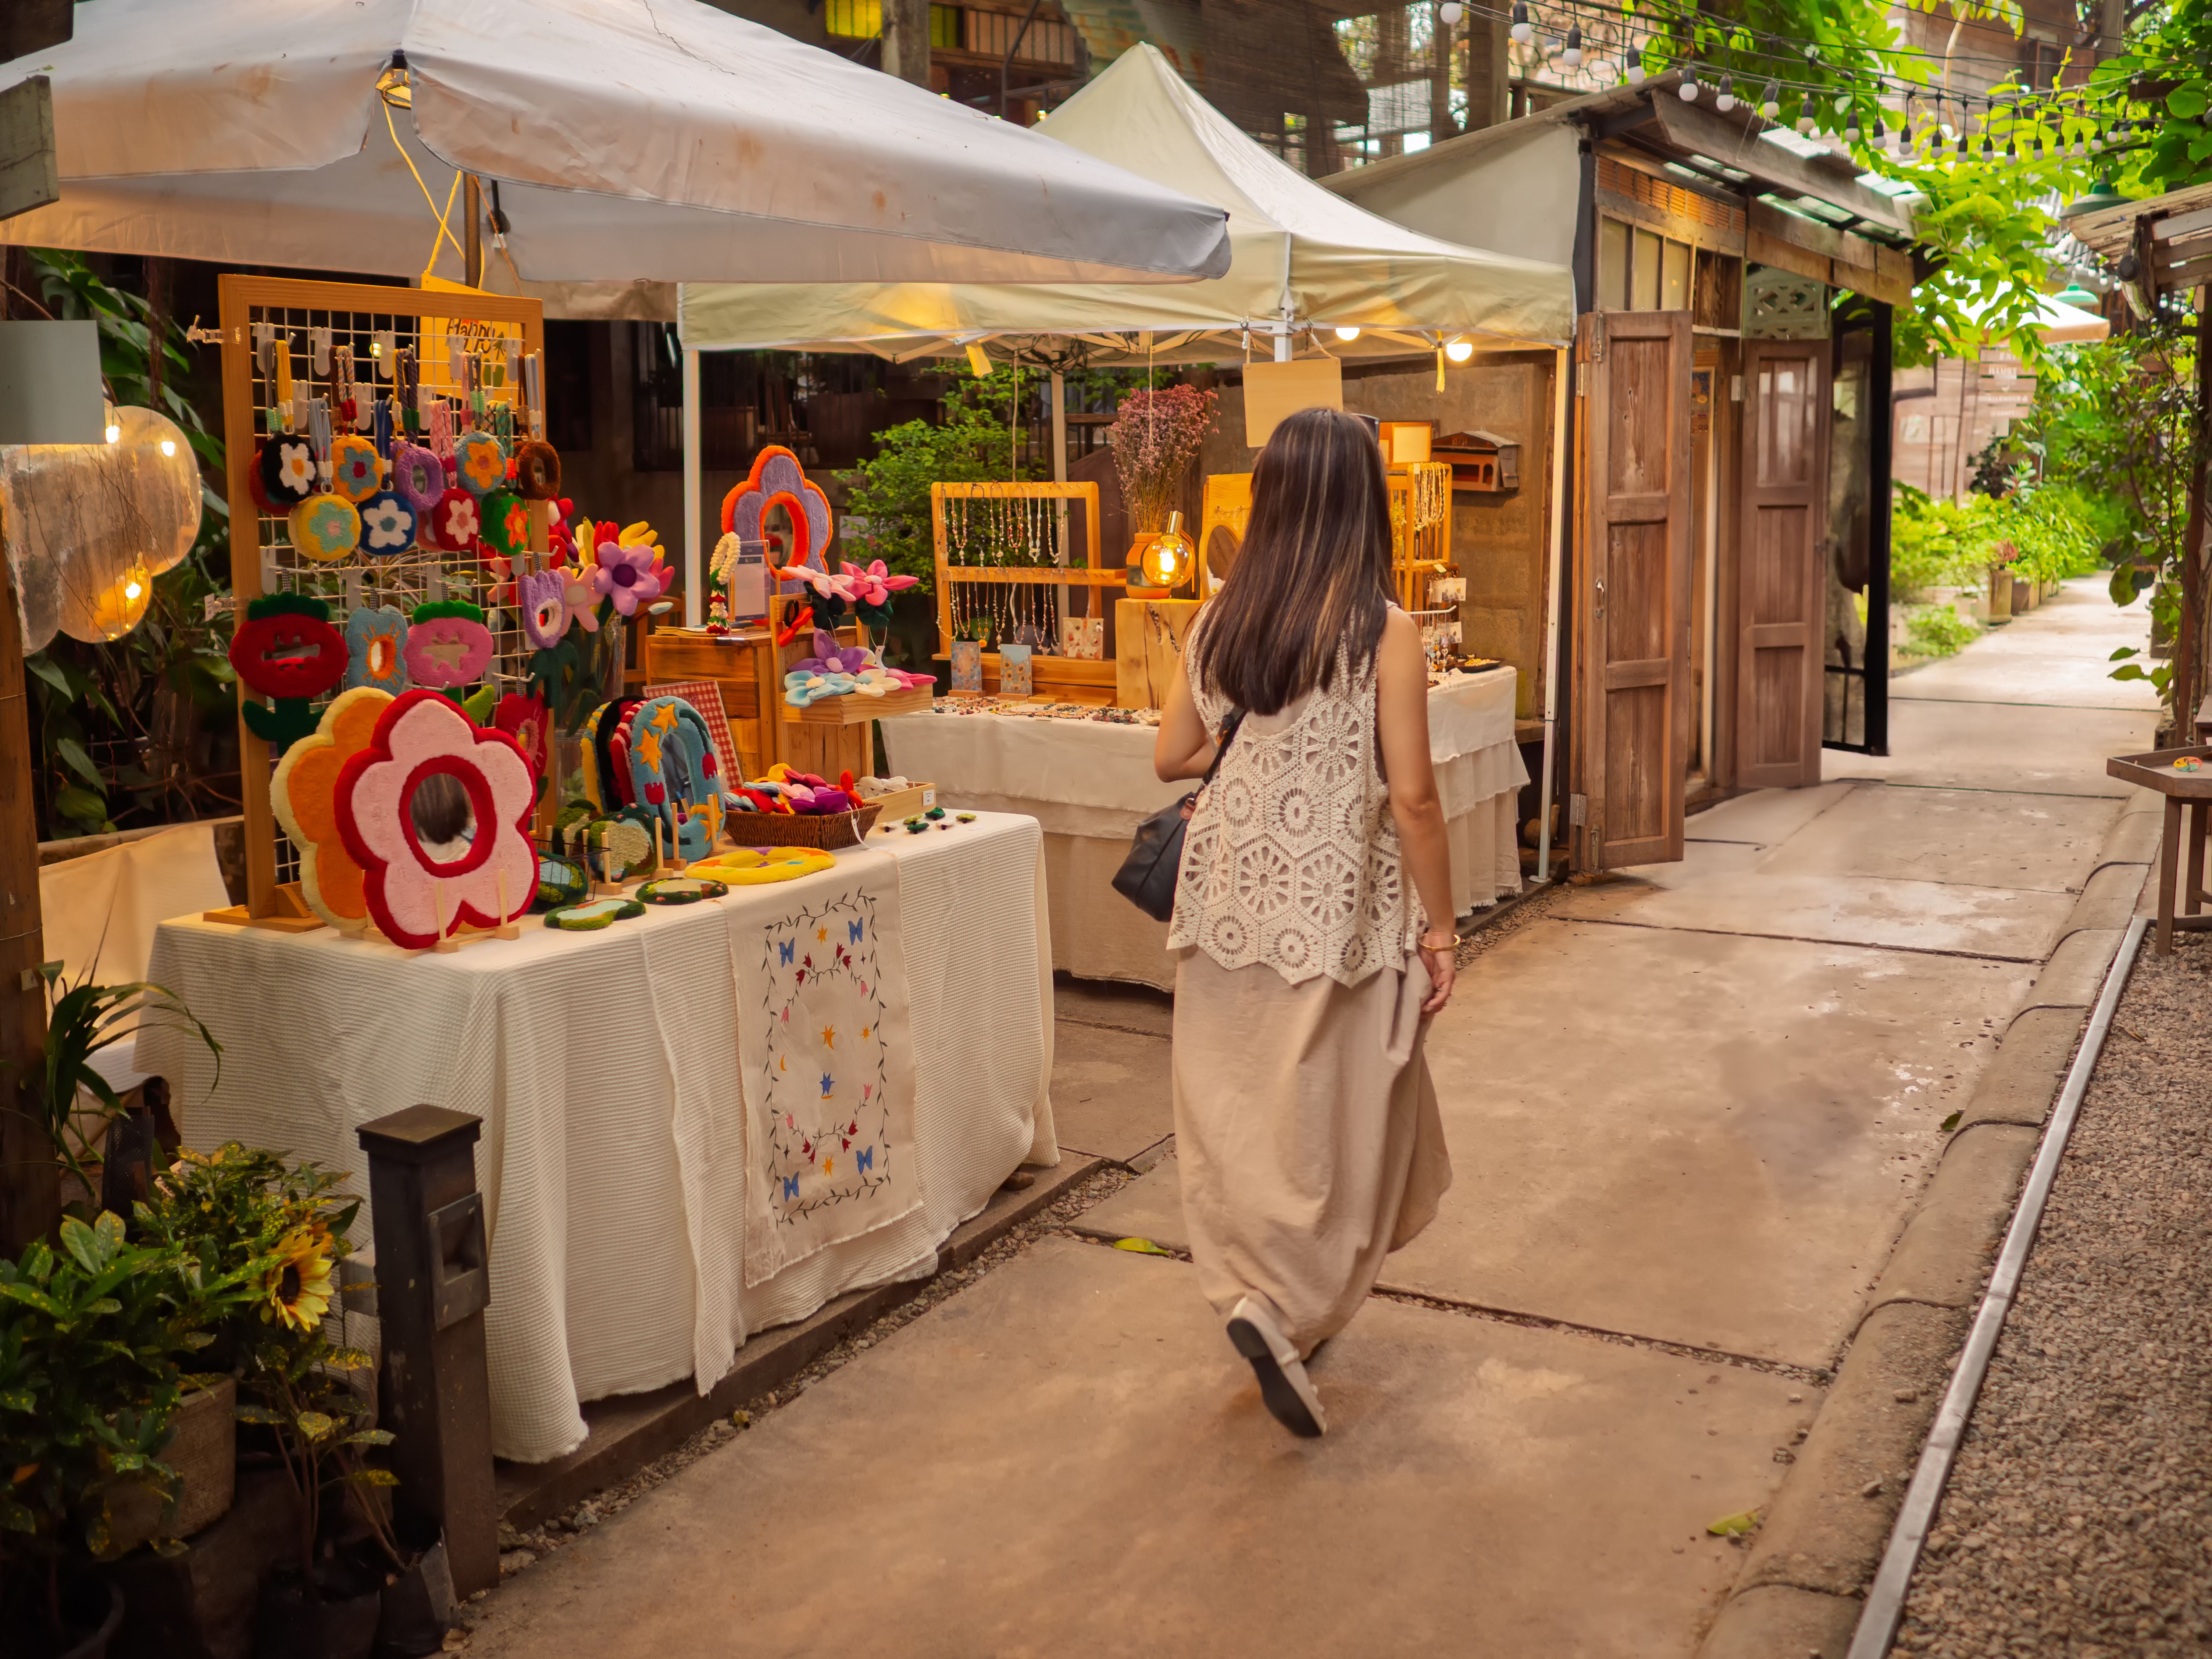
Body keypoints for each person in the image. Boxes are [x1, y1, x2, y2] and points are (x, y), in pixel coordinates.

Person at [1152, 406, 1456, 1440]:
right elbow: (1413, 797)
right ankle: (1286, 1309)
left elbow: (1173, 756)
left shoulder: (1217, 620)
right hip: (1336, 905)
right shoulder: (1384, 631)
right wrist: (1444, 931)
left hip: (1222, 896)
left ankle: (1249, 1291)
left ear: (1269, 499)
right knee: (1338, 1110)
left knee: (1231, 1107)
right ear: (1366, 501)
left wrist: (1270, 757)